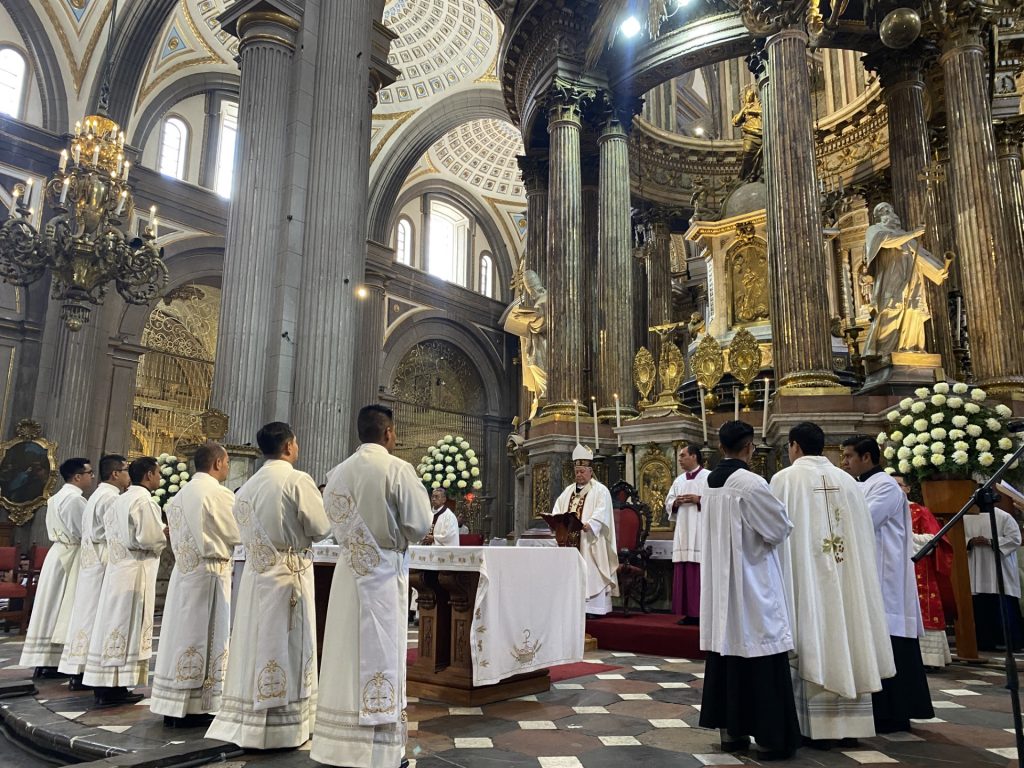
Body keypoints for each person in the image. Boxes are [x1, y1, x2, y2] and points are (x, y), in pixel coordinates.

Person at [310, 404, 432, 767]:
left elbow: (329, 522)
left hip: (349, 574)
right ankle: (381, 753)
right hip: (383, 575)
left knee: (344, 653)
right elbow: (420, 523)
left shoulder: (337, 474)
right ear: (389, 433)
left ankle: (338, 745)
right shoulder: (398, 469)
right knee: (381, 654)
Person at [206, 422, 329, 749]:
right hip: (290, 575)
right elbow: (320, 526)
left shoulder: (244, 489)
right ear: (288, 446)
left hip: (257, 578)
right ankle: (285, 726)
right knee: (287, 644)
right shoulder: (297, 480)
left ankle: (253, 719)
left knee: (255, 642)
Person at [771, 422, 894, 742]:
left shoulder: (784, 479)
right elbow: (864, 536)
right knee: (848, 631)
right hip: (846, 578)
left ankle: (813, 728)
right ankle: (849, 727)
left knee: (812, 633)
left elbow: (774, 535)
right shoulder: (848, 481)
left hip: (806, 580)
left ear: (794, 446)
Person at [699, 421, 800, 761]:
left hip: (721, 586)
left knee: (727, 653)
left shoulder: (710, 482)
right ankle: (772, 738)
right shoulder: (751, 483)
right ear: (749, 447)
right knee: (761, 652)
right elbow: (778, 528)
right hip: (751, 582)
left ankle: (732, 734)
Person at [841, 435, 934, 733]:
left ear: (866, 457)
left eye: (848, 456)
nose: (844, 462)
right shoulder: (858, 484)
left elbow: (862, 521)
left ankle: (896, 713)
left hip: (887, 577)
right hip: (869, 573)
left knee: (892, 643)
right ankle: (878, 710)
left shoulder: (885, 485)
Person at [151, 442, 240, 726]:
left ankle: (174, 702)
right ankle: (200, 705)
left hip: (184, 574)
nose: (227, 467)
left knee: (180, 633)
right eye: (226, 462)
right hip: (209, 574)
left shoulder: (178, 495)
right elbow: (237, 532)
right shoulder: (219, 494)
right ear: (216, 463)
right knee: (205, 634)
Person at [81, 457, 165, 706]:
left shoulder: (121, 499)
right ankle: (114, 687)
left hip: (118, 569)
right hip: (135, 571)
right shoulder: (143, 500)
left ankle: (105, 682)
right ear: (149, 475)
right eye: (158, 473)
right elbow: (149, 539)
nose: (160, 477)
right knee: (127, 625)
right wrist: (163, 535)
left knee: (112, 624)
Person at [58, 455, 130, 688]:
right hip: (103, 561)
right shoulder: (110, 498)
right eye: (126, 470)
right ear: (115, 474)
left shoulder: (97, 495)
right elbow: (119, 533)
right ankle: (91, 672)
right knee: (99, 617)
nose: (129, 475)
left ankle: (79, 668)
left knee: (87, 615)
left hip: (91, 560)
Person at [19, 458, 92, 676]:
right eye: (89, 473)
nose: (91, 477)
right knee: (64, 606)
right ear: (77, 476)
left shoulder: (56, 498)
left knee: (50, 605)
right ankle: (56, 659)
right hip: (71, 556)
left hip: (57, 553)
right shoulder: (75, 501)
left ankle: (45, 659)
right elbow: (83, 533)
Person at [861, 202, 950, 358]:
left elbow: (920, 255)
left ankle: (911, 348)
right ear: (878, 217)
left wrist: (939, 270)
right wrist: (913, 233)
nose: (890, 212)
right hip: (891, 277)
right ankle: (884, 352)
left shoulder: (904, 235)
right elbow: (887, 240)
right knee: (891, 309)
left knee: (913, 309)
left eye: (891, 209)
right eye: (884, 210)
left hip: (912, 278)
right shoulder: (875, 230)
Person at [550, 444, 618, 617]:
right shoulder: (568, 491)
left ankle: (593, 608)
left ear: (590, 471)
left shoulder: (600, 491)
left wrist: (591, 524)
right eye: (577, 471)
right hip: (569, 541)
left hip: (590, 539)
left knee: (592, 569)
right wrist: (556, 520)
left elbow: (602, 512)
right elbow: (558, 508)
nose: (579, 475)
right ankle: (573, 606)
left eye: (582, 471)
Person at [894, 475, 954, 667]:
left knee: (924, 608)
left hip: (919, 566)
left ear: (908, 488)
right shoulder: (887, 508)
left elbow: (934, 538)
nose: (896, 489)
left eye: (899, 485)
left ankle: (930, 659)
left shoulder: (920, 511)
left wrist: (907, 538)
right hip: (893, 567)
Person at [963, 489, 1022, 652]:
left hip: (999, 568)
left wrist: (990, 541)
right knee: (981, 607)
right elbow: (959, 538)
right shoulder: (967, 518)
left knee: (1003, 605)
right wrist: (970, 541)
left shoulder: (1003, 517)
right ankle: (985, 642)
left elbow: (1015, 539)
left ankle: (1011, 642)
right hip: (977, 567)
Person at [664, 443, 710, 625]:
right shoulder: (679, 481)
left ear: (694, 456)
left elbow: (717, 501)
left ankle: (702, 613)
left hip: (701, 533)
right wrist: (676, 502)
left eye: (683, 455)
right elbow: (668, 502)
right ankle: (688, 613)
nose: (680, 459)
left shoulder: (709, 477)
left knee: (699, 572)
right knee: (684, 571)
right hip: (683, 531)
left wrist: (698, 499)